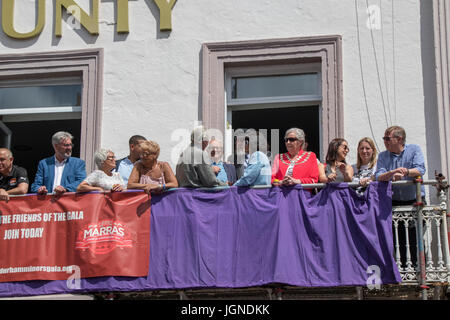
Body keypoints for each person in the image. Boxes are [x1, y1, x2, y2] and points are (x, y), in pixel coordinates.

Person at [375, 125, 426, 266]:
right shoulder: (383, 156)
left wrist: (405, 172)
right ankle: (402, 271)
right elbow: (379, 175)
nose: (384, 141)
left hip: (415, 200)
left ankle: (420, 271)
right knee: (399, 240)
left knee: (416, 238)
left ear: (399, 139)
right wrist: (393, 173)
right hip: (395, 202)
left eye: (387, 138)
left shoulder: (414, 149)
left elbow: (421, 169)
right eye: (384, 138)